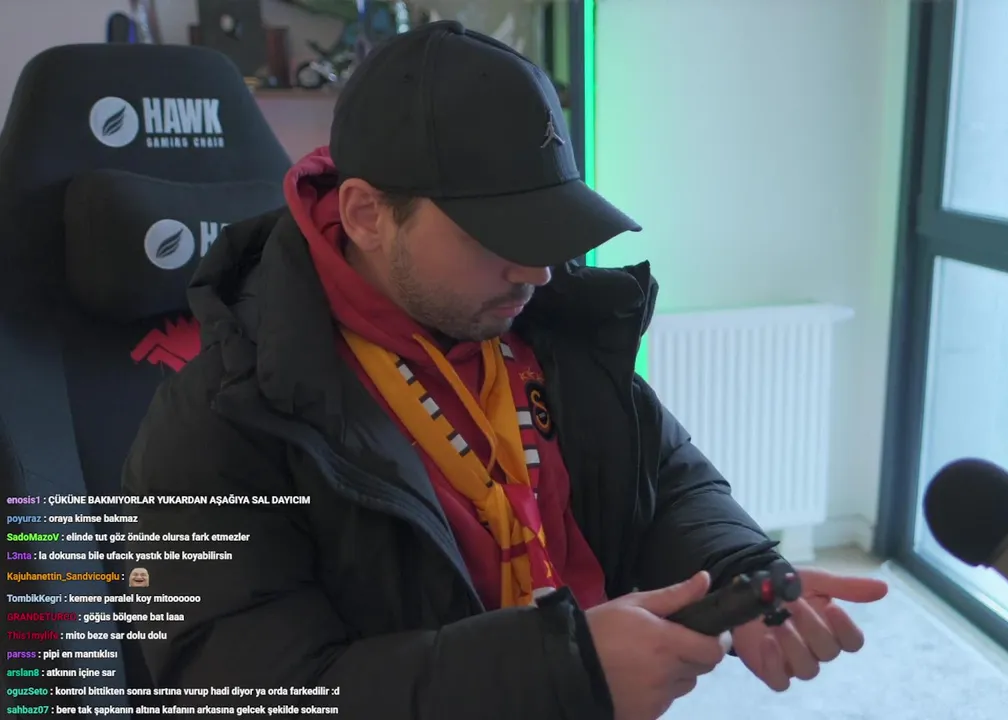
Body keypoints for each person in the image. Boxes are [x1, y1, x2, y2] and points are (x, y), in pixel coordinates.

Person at [122, 20, 888, 720]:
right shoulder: (220, 420)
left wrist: (737, 572)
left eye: (546, 226)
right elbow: (249, 693)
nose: (537, 271)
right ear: (364, 215)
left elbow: (666, 477)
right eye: (495, 233)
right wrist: (559, 674)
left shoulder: (546, 325)